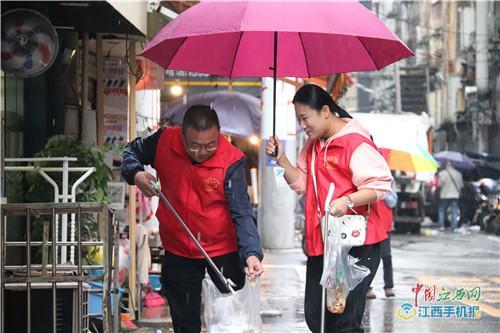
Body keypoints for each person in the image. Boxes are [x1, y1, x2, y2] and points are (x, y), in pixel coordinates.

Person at [122, 105, 264, 333]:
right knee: (185, 322)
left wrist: (252, 253)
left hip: (222, 252)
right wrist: (136, 174)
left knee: (229, 323)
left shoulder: (232, 160)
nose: (201, 152)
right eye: (194, 145)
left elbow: (242, 211)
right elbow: (131, 152)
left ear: (219, 134)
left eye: (210, 145)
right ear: (182, 135)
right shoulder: (163, 142)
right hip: (179, 250)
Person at [266, 84, 392, 333]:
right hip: (322, 243)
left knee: (345, 320)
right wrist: (281, 159)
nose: (303, 125)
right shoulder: (313, 146)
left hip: (356, 245)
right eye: (299, 119)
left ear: (325, 111)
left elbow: (380, 186)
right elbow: (301, 183)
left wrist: (347, 201)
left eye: (305, 118)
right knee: (316, 317)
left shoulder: (355, 142)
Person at [366, 180, 397, 299]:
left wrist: (382, 191)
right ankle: (367, 287)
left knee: (386, 256)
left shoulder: (389, 181)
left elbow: (393, 202)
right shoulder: (366, 178)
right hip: (370, 223)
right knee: (368, 257)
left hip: (385, 223)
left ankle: (388, 286)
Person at [437, 161, 464, 231]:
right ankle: (454, 226)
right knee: (454, 210)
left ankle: (441, 226)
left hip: (445, 195)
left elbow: (439, 185)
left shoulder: (442, 173)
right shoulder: (458, 174)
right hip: (455, 195)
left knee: (442, 210)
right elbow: (461, 186)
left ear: (446, 165)